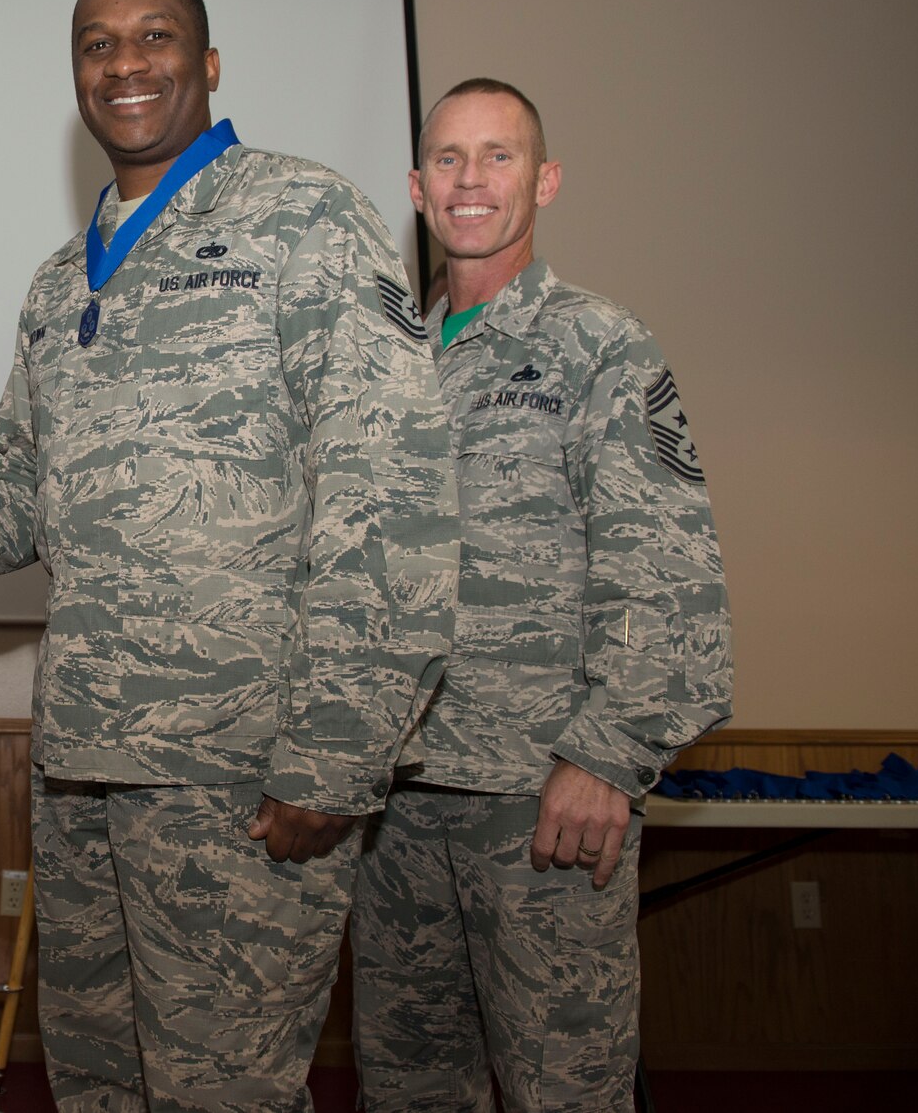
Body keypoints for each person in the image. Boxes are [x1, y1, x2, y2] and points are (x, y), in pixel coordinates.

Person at [0, 0, 459, 1112]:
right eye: (96, 45)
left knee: (224, 1092)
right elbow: (28, 487)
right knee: (96, 1082)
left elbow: (389, 489)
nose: (124, 62)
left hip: (239, 771)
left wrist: (336, 756)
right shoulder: (59, 281)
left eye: (154, 37)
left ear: (205, 65)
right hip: (83, 769)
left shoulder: (305, 217)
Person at [351, 78, 733, 1111]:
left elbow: (666, 565)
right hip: (392, 806)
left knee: (562, 1089)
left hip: (538, 804)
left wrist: (606, 756)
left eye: (498, 156)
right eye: (447, 159)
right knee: (406, 1090)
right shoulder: (384, 363)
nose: (469, 179)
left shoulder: (595, 343)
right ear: (416, 188)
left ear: (544, 180)